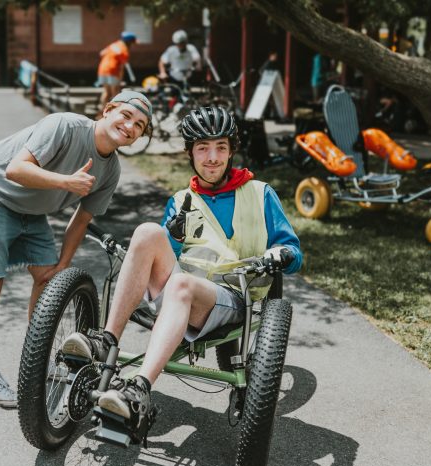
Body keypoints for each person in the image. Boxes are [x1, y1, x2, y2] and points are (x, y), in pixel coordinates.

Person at [61, 105, 302, 436]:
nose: (212, 157)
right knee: (147, 232)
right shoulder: (181, 200)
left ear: (232, 150)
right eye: (203, 148)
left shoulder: (260, 194)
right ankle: (106, 339)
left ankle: (139, 390)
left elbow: (293, 251)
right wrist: (172, 237)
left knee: (182, 286)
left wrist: (281, 254)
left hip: (227, 297)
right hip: (175, 292)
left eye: (220, 147)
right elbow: (166, 260)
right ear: (190, 153)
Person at [0, 90, 152, 408]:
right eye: (126, 116)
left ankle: (36, 360)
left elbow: (82, 218)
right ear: (107, 110)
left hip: (31, 210)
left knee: (48, 279)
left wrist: (64, 262)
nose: (130, 126)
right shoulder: (64, 126)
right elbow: (15, 170)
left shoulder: (111, 170)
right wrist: (65, 182)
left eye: (140, 125)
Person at [98, 32, 137, 110]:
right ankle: (115, 112)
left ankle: (102, 112)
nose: (133, 45)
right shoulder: (124, 50)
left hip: (102, 69)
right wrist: (120, 80)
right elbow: (122, 67)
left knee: (106, 92)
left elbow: (101, 53)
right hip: (113, 70)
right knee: (115, 93)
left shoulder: (114, 45)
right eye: (132, 43)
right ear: (129, 42)